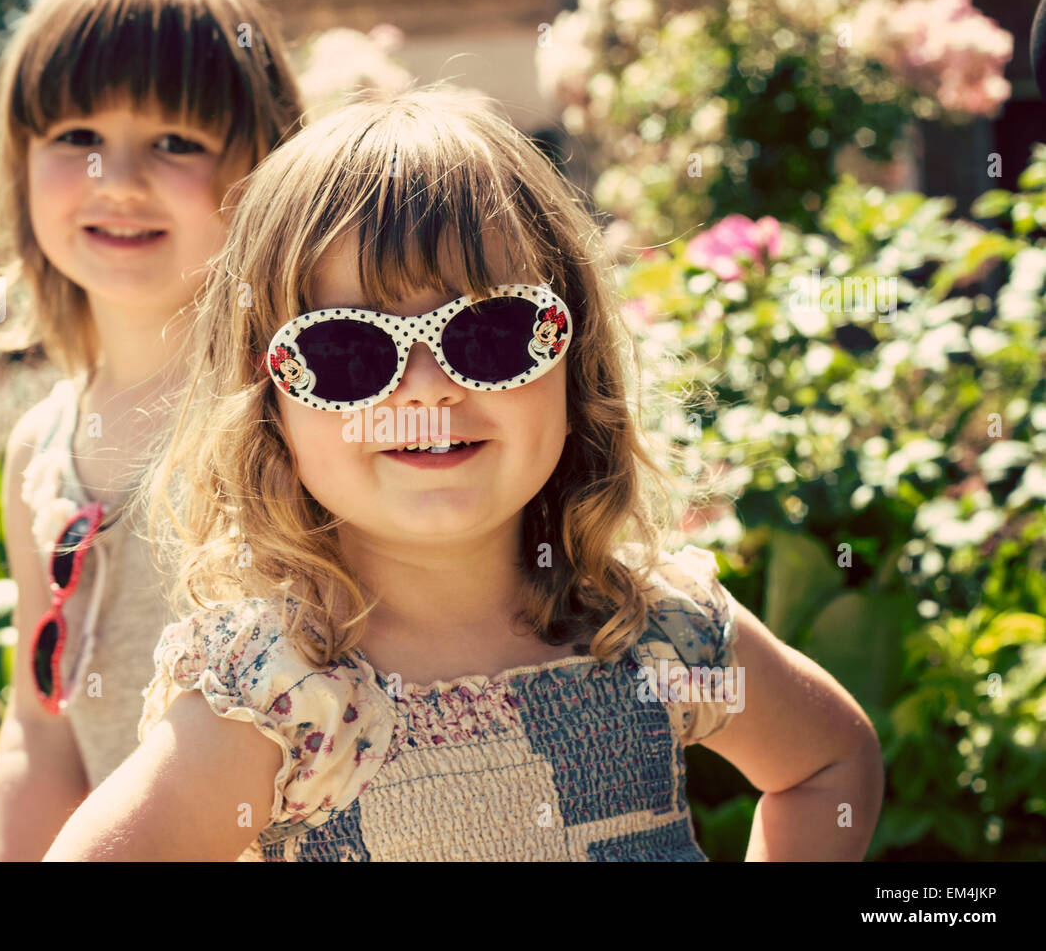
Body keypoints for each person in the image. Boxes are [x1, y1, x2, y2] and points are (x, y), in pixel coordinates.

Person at [44, 85, 884, 861]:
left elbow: (828, 766)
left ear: (574, 358)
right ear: (270, 410)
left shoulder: (651, 631)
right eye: (348, 351)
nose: (428, 388)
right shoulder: (290, 700)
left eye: (491, 334)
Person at [0, 0, 302, 861]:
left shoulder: (294, 404)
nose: (116, 179)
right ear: (20, 164)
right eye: (76, 137)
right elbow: (41, 735)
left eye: (176, 142)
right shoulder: (41, 451)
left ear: (265, 163)